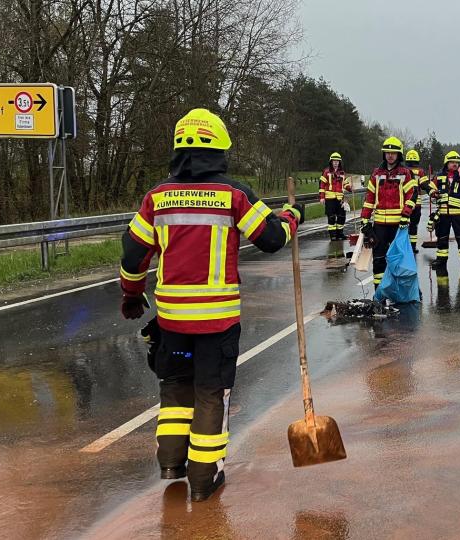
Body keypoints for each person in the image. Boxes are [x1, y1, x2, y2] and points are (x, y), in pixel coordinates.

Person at [119, 108, 305, 502]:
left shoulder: (157, 197)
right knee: (209, 393)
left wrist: (132, 295)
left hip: (171, 322)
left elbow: (133, 254)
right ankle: (204, 478)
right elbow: (271, 237)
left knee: (174, 388)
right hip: (216, 323)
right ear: (220, 149)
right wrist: (291, 217)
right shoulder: (233, 195)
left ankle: (171, 462)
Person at [360, 137, 416, 289]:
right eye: (387, 152)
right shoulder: (376, 174)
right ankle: (379, 294)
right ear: (384, 154)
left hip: (399, 225)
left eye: (394, 153)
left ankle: (404, 291)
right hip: (379, 225)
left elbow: (411, 196)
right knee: (378, 260)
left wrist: (405, 215)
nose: (390, 155)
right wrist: (365, 220)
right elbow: (369, 198)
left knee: (400, 260)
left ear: (399, 155)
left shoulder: (405, 173)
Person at [429, 151, 460, 273]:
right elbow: (431, 188)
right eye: (452, 162)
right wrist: (433, 193)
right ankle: (441, 260)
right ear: (447, 163)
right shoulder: (439, 176)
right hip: (443, 213)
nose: (455, 164)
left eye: (457, 162)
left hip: (458, 213)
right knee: (442, 237)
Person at [320, 152, 351, 241]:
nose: (336, 163)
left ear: (339, 162)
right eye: (334, 161)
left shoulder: (342, 173)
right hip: (330, 198)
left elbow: (345, 184)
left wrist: (350, 188)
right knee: (331, 217)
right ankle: (333, 235)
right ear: (331, 162)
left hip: (340, 198)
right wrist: (322, 197)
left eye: (337, 161)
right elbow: (322, 185)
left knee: (342, 217)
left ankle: (340, 234)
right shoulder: (326, 172)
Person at [405, 149, 430, 253]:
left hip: (405, 203)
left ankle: (403, 246)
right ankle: (413, 247)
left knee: (402, 225)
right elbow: (424, 185)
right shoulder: (420, 172)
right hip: (417, 203)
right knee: (414, 226)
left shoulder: (403, 170)